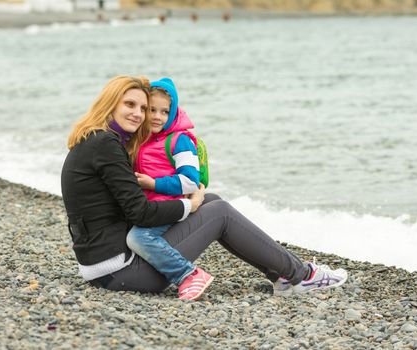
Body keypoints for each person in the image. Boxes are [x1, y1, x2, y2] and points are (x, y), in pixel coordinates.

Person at [61, 75, 348, 300]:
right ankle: (300, 276)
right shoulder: (106, 145)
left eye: (144, 108)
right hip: (121, 272)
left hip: (107, 264)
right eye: (130, 105)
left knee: (212, 199)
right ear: (110, 103)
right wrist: (191, 204)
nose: (139, 114)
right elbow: (139, 213)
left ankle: (282, 275)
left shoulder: (95, 141)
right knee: (218, 211)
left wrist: (198, 201)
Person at [127, 77, 214, 301]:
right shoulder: (143, 139)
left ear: (173, 112)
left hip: (172, 206)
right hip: (151, 207)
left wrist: (153, 184)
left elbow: (190, 182)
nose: (157, 116)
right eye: (152, 110)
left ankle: (188, 274)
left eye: (164, 112)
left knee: (138, 238)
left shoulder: (179, 140)